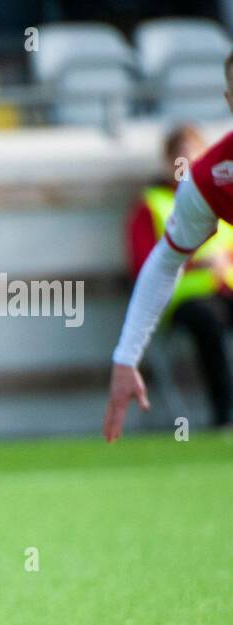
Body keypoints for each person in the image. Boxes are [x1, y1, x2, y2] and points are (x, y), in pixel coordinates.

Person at [106, 53, 233, 441]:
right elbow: (163, 262)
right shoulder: (210, 178)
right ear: (229, 99)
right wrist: (126, 357)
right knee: (205, 322)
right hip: (196, 302)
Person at [121, 124, 233, 430]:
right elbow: (148, 264)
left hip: (225, 289)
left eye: (193, 153)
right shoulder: (152, 204)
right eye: (179, 156)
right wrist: (197, 264)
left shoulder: (218, 188)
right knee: (206, 322)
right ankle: (224, 415)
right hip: (184, 299)